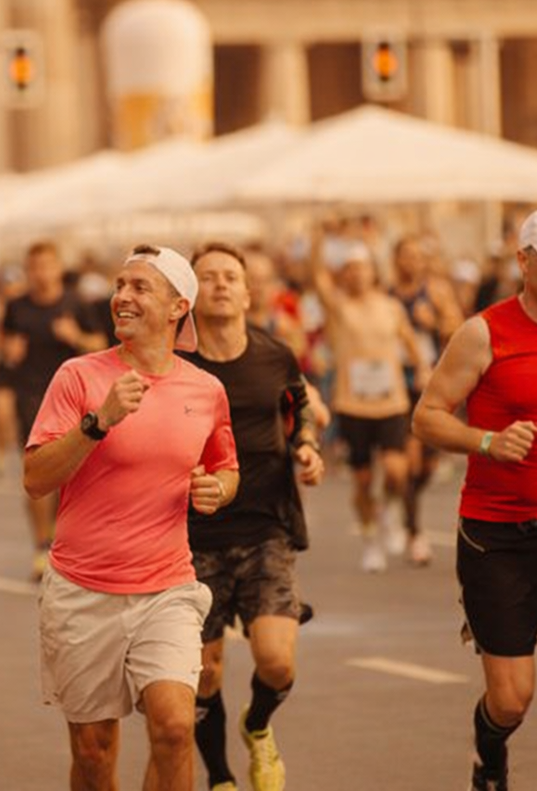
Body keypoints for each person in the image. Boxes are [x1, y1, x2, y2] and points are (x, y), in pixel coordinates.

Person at [24, 244, 239, 791]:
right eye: (120, 286)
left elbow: (226, 467)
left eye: (140, 287)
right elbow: (36, 479)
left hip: (166, 587)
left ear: (176, 307)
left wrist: (217, 489)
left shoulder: (206, 389)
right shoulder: (78, 376)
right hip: (82, 589)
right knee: (94, 752)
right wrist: (99, 422)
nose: (122, 297)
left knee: (172, 727)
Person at [182, 243, 325, 791]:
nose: (220, 285)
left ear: (247, 292)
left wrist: (307, 447)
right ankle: (220, 777)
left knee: (276, 662)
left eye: (230, 277)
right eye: (208, 277)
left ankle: (258, 725)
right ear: (190, 295)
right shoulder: (175, 364)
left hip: (266, 525)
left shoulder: (274, 354)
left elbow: (299, 406)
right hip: (191, 534)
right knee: (205, 671)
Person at [412, 208, 537, 791]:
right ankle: (489, 756)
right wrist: (486, 441)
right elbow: (427, 418)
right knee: (511, 700)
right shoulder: (485, 332)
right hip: (499, 535)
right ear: (523, 261)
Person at [311, 229, 429, 572]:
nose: (358, 274)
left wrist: (422, 368)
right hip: (353, 403)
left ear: (374, 272)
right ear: (343, 275)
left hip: (390, 401)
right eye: (350, 268)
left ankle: (390, 510)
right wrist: (319, 233)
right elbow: (317, 277)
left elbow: (410, 342)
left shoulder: (391, 307)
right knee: (362, 481)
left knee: (396, 471)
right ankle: (370, 539)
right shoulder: (338, 307)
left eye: (363, 268)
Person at [2, 240, 107, 580]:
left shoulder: (76, 303)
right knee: (39, 474)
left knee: (72, 475)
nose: (40, 274)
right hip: (33, 396)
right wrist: (9, 354)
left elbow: (101, 347)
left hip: (75, 397)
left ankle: (66, 544)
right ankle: (39, 545)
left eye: (46, 266)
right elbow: (4, 347)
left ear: (58, 268)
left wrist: (75, 335)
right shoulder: (17, 306)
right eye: (34, 268)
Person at [389, 234, 464, 565]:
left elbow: (459, 330)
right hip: (396, 383)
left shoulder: (435, 291)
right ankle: (414, 532)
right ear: (396, 260)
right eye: (405, 256)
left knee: (429, 466)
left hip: (430, 381)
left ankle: (401, 504)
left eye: (417, 257)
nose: (411, 262)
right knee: (410, 462)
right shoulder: (387, 295)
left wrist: (432, 322)